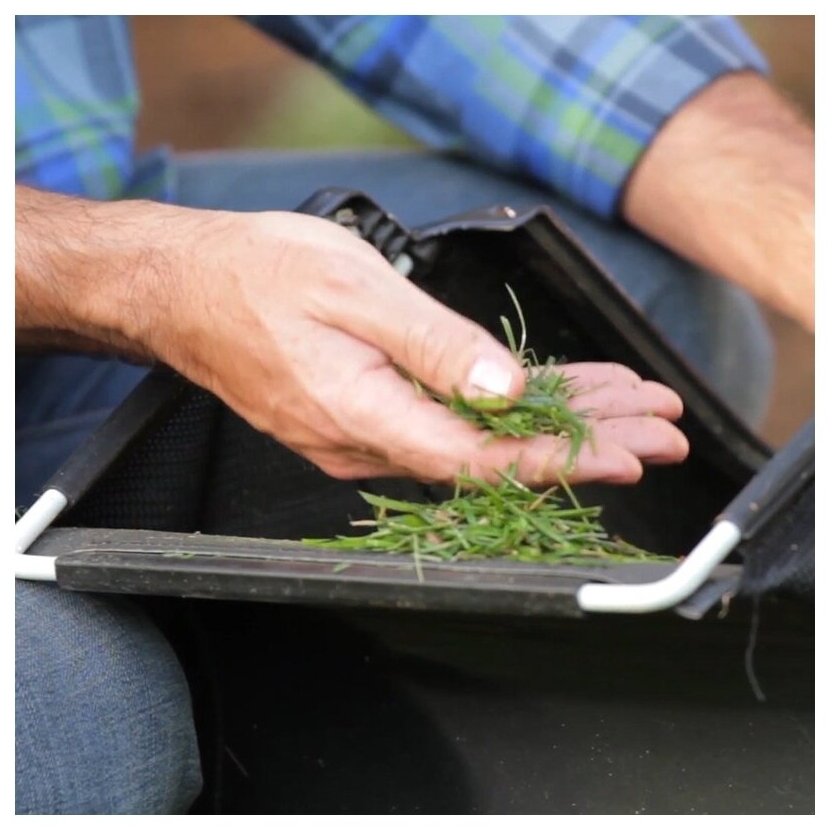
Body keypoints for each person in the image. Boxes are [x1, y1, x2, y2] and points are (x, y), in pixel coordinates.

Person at [15, 15, 813, 813]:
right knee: (91, 706)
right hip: (73, 260)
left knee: (644, 291)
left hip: (63, 216)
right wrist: (145, 277)